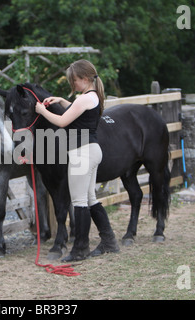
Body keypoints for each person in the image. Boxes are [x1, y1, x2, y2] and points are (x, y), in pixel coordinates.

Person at [35, 59, 120, 262]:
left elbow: (63, 122)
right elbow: (76, 111)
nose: (72, 85)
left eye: (74, 81)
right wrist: (62, 101)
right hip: (92, 150)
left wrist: (42, 111)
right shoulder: (93, 96)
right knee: (90, 198)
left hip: (82, 153)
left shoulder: (83, 99)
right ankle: (108, 240)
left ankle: (81, 248)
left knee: (79, 201)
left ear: (85, 78)